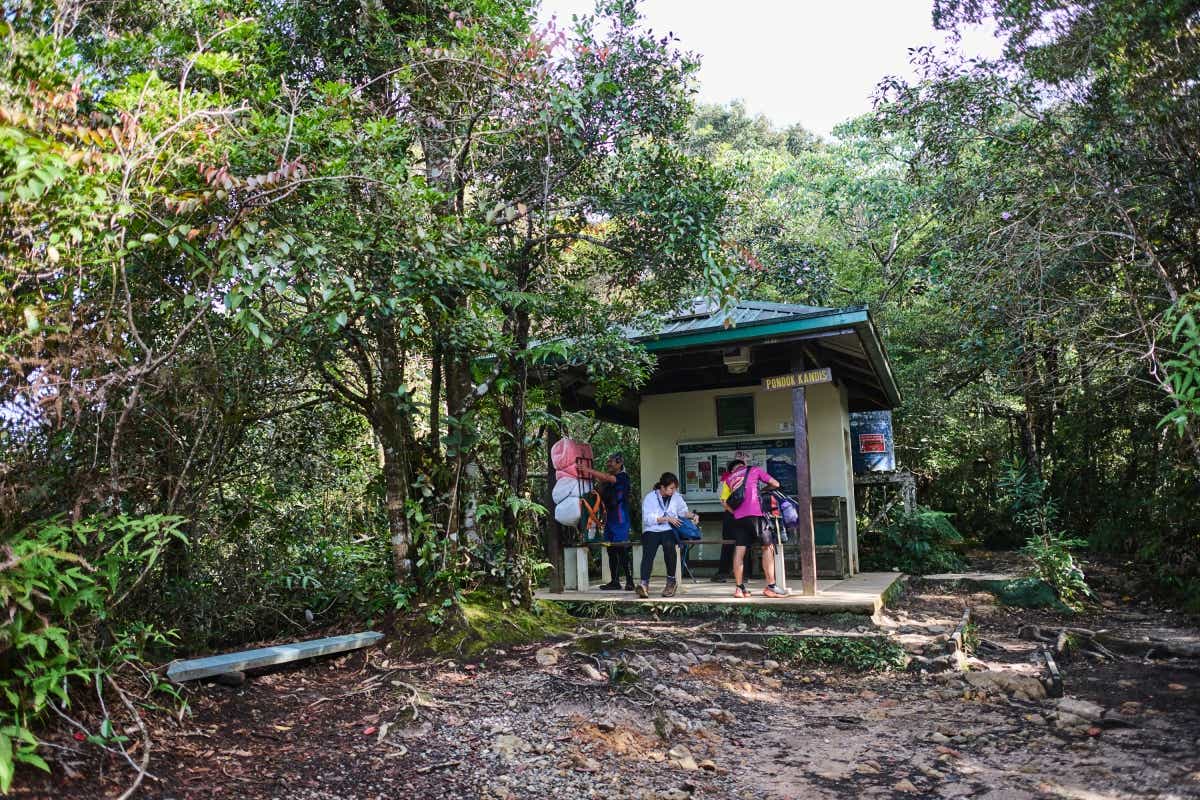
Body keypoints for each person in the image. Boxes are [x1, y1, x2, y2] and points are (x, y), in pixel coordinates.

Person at [721, 459, 783, 598]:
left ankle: (739, 588)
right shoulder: (754, 470)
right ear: (743, 465)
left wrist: (735, 512)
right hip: (756, 515)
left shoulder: (728, 479)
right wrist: (762, 490)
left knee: (740, 550)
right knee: (767, 547)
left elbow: (724, 502)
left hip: (738, 518)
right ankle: (771, 587)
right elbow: (775, 484)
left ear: (732, 470)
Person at [637, 472, 698, 598]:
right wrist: (666, 518)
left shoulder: (676, 496)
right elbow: (647, 519)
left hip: (669, 529)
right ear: (662, 487)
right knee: (648, 552)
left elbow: (682, 512)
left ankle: (671, 582)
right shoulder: (650, 497)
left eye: (675, 488)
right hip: (652, 530)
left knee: (669, 548)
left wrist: (693, 515)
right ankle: (644, 584)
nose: (673, 490)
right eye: (671, 488)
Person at [584, 452, 634, 591]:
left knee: (622, 549)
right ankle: (615, 581)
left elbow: (607, 477)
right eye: (608, 462)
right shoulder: (608, 480)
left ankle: (630, 581)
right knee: (610, 550)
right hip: (609, 520)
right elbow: (601, 490)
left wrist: (588, 471)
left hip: (620, 520)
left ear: (619, 463)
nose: (608, 464)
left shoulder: (623, 477)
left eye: (611, 462)